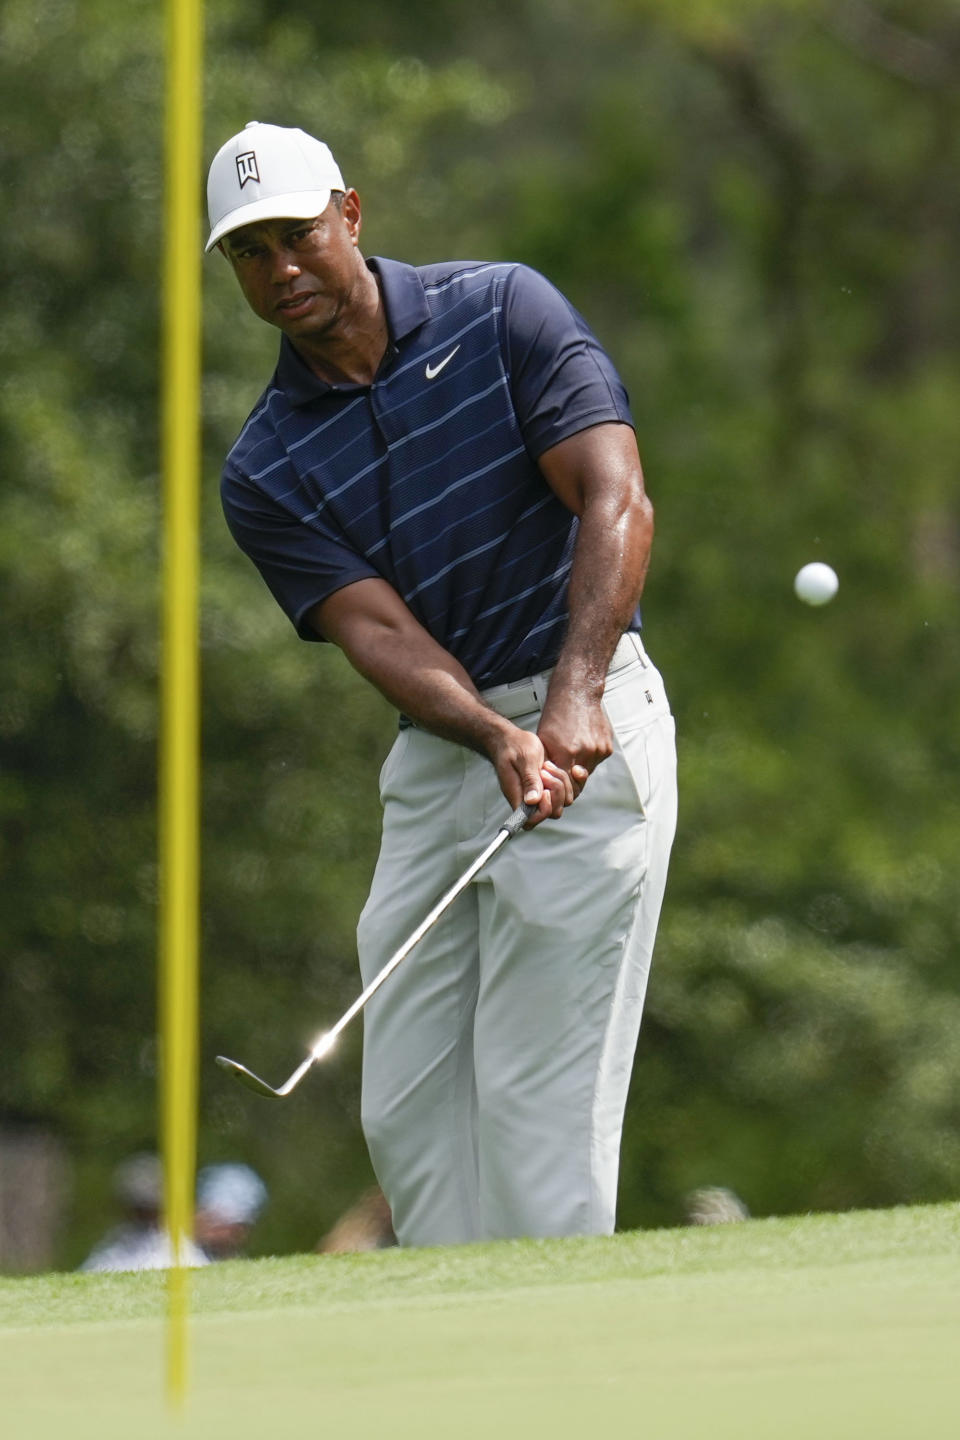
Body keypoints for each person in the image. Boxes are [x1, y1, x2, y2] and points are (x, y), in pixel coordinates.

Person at [205, 121, 678, 1247]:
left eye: (299, 237)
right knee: (411, 1106)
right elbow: (377, 632)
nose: (281, 271)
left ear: (351, 215)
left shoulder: (503, 312)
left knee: (535, 1101)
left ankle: (563, 1380)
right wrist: (487, 732)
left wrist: (569, 698)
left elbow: (616, 500)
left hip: (590, 723)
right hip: (444, 752)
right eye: (250, 253)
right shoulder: (265, 466)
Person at [79, 1153, 207, 1273]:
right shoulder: (114, 1246)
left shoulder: (179, 1250)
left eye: (147, 1209)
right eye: (136, 1208)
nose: (140, 1215)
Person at [194, 1162, 268, 1259]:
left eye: (238, 1227)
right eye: (215, 1220)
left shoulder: (235, 1262)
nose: (225, 1233)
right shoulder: (174, 1256)